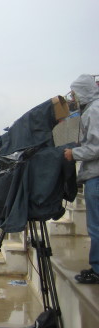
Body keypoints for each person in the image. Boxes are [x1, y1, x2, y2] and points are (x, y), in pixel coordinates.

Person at [64, 74, 99, 284]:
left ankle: (97, 268)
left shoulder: (93, 111)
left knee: (95, 226)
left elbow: (96, 147)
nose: (73, 98)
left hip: (96, 176)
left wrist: (74, 154)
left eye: (75, 93)